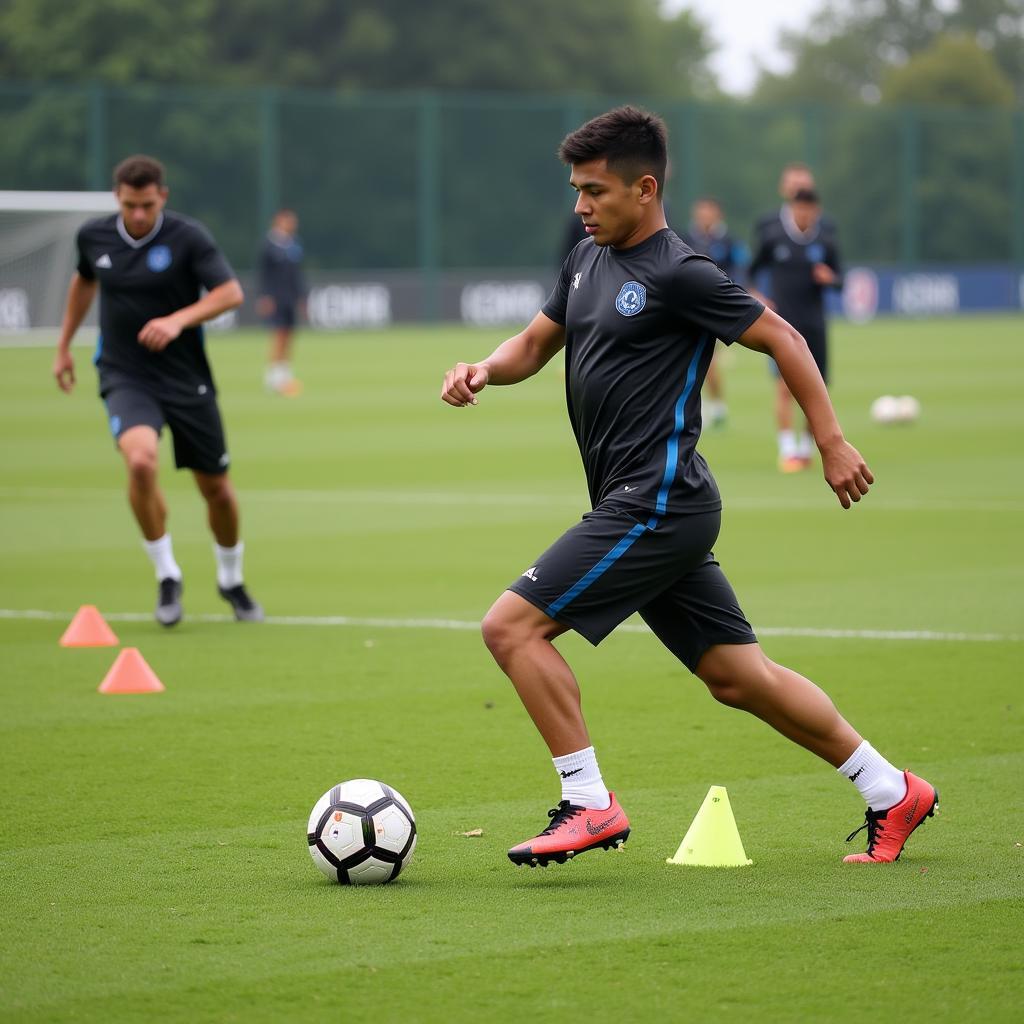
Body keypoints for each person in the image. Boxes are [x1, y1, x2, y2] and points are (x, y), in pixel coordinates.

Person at [440, 106, 935, 869]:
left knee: (510, 628)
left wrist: (830, 441)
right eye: (575, 190)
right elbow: (537, 343)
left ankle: (590, 803)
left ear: (644, 188)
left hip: (657, 501)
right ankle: (891, 789)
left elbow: (785, 336)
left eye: (595, 191)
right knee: (739, 678)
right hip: (640, 504)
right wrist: (483, 369)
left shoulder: (679, 270)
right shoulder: (584, 259)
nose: (580, 206)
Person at [53, 154, 263, 627]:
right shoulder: (94, 236)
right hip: (125, 373)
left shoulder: (189, 237)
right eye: (130, 205)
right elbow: (83, 282)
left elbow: (229, 293)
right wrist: (63, 346)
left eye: (147, 204)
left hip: (185, 376)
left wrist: (177, 320)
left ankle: (231, 580)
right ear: (117, 199)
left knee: (218, 492)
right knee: (141, 461)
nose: (140, 215)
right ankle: (167, 575)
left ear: (162, 196)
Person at [750, 168, 842, 471]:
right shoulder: (773, 233)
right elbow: (752, 270)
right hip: (783, 326)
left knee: (818, 387)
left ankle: (805, 448)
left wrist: (831, 279)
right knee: (784, 387)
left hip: (815, 324)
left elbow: (842, 279)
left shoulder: (826, 238)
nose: (805, 213)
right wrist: (758, 296)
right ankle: (787, 449)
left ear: (816, 211)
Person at [680, 196, 747, 428]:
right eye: (700, 211)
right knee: (697, 360)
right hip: (687, 306)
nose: (704, 216)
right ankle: (711, 406)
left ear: (718, 214)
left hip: (716, 307)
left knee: (707, 359)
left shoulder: (729, 241)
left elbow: (740, 269)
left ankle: (715, 406)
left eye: (708, 211)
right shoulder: (685, 238)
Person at [257, 208, 306, 397]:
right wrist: (265, 296)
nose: (292, 224)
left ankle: (285, 375)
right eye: (289, 221)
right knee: (278, 335)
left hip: (290, 298)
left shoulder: (294, 244)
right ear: (278, 221)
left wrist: (301, 297)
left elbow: (298, 274)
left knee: (289, 335)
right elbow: (263, 275)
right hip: (275, 298)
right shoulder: (268, 245)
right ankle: (273, 378)